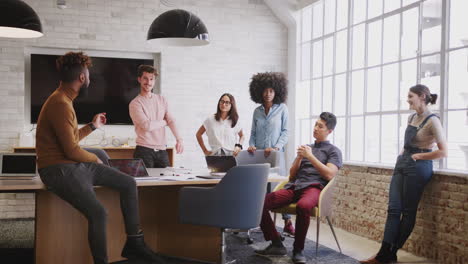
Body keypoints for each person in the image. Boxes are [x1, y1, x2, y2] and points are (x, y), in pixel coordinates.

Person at [35, 52, 165, 264]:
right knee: (99, 213)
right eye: (89, 75)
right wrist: (93, 161)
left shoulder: (63, 100)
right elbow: (71, 150)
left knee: (127, 182)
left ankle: (135, 243)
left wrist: (92, 126)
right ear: (82, 78)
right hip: (59, 169)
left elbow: (70, 139)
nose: (90, 80)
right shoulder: (60, 103)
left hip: (69, 164)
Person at [360, 84, 447, 264]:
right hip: (403, 162)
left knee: (408, 212)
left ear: (422, 97)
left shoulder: (433, 120)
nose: (407, 100)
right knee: (393, 209)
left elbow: (443, 152)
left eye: (410, 96)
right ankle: (385, 253)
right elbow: (409, 141)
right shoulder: (411, 117)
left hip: (419, 166)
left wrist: (419, 155)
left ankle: (388, 253)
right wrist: (402, 153)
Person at [254, 112, 342, 264]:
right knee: (258, 202)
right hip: (295, 186)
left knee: (304, 205)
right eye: (315, 124)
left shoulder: (333, 151)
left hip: (314, 188)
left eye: (320, 126)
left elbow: (329, 175)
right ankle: (276, 243)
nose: (315, 128)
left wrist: (310, 157)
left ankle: (298, 250)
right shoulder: (307, 148)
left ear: (329, 131)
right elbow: (292, 175)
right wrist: (300, 158)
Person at [247, 72, 294, 236]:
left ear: (276, 92)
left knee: (278, 187)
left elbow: (286, 132)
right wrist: (251, 145)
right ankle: (263, 222)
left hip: (276, 155)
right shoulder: (257, 111)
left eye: (271, 91)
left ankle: (288, 222)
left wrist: (276, 148)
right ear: (259, 91)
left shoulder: (282, 109)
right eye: (265, 91)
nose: (268, 94)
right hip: (259, 156)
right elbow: (252, 133)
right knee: (261, 188)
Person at [129, 65, 183, 168]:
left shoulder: (162, 99)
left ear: (154, 81)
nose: (148, 82)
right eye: (145, 78)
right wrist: (164, 122)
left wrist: (179, 140)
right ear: (139, 79)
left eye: (151, 79)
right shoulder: (135, 103)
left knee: (166, 182)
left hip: (162, 151)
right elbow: (147, 126)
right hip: (144, 150)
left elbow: (171, 120)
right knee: (147, 183)